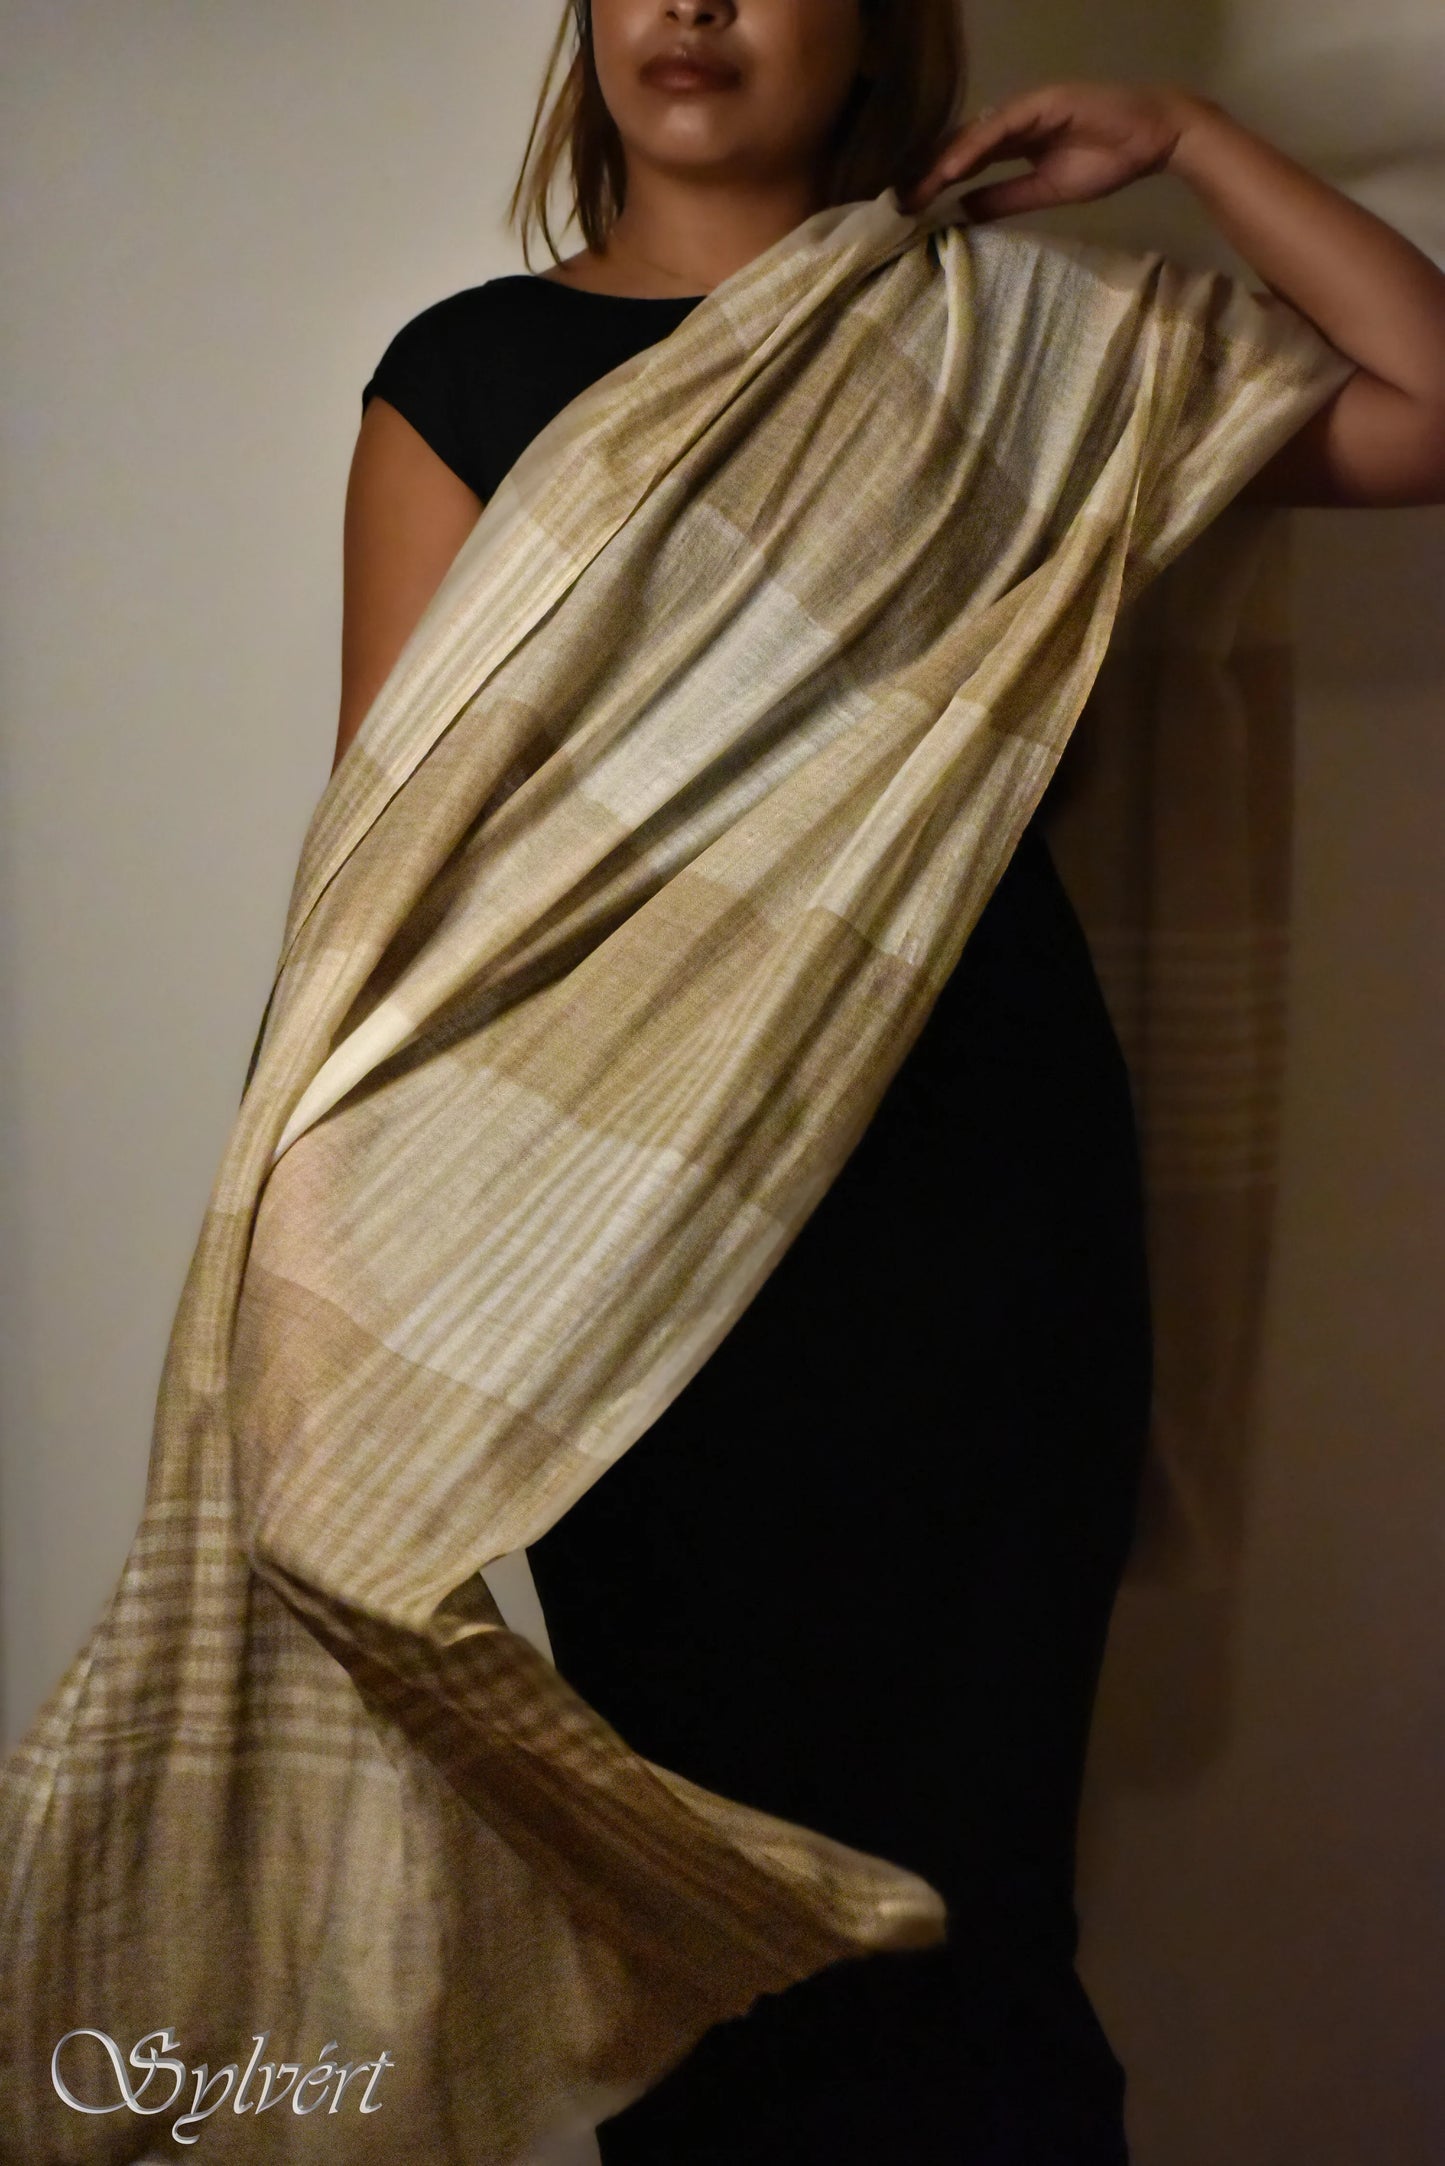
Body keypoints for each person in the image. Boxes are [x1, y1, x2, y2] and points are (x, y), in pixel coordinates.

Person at [341, 6, 1445, 2160]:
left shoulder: (1014, 344)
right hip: (619, 1256)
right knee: (693, 1935)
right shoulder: (460, 375)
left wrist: (1195, 136)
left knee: (973, 1923)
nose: (695, 5)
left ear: (871, 27)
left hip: (975, 1213)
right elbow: (394, 886)